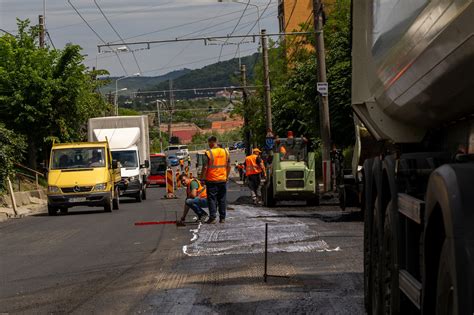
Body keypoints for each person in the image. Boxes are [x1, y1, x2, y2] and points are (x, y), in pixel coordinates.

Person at [201, 136, 230, 224]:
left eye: (209, 143)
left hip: (212, 180)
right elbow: (229, 166)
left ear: (211, 142)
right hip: (222, 179)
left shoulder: (208, 153)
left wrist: (202, 178)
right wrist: (227, 176)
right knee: (222, 199)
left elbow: (205, 167)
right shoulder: (225, 151)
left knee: (212, 199)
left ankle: (212, 218)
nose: (208, 145)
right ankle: (222, 218)